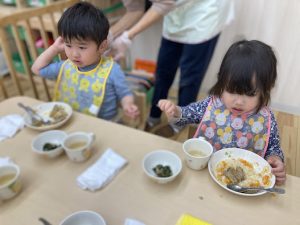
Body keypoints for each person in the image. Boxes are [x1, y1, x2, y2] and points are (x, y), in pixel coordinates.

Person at [158, 40, 286, 185]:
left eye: (250, 94)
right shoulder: (213, 105)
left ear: (266, 90)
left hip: (245, 183)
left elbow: (273, 146)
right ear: (221, 81)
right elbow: (187, 115)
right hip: (206, 174)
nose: (238, 101)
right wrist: (175, 111)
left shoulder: (266, 119)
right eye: (231, 90)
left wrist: (276, 159)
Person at [111, 0, 234, 137]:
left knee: (189, 78)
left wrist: (127, 36)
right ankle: (154, 115)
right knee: (163, 71)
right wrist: (108, 37)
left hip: (204, 15)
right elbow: (135, 8)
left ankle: (179, 122)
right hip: (175, 15)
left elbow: (164, 3)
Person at [31, 2, 139, 121]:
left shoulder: (112, 70)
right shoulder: (65, 66)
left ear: (102, 46)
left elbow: (124, 93)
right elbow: (37, 69)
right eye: (68, 45)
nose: (74, 54)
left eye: (82, 47)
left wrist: (127, 105)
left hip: (105, 124)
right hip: (71, 120)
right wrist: (54, 48)